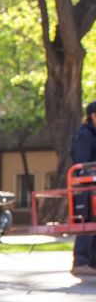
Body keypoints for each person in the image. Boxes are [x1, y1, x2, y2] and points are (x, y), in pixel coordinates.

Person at [71, 100, 96, 276]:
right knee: (86, 222)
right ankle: (81, 260)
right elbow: (82, 161)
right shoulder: (85, 135)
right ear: (93, 116)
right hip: (86, 186)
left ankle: (92, 262)